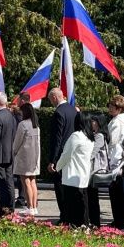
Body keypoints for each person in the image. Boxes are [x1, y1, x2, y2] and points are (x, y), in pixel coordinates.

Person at [57, 114, 96, 227]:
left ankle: (74, 226)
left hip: (72, 175)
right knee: (82, 203)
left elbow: (66, 154)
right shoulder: (89, 137)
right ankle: (84, 225)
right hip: (83, 174)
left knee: (72, 205)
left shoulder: (76, 135)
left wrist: (58, 167)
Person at [46, 88, 77, 222]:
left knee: (60, 188)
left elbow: (57, 138)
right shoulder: (72, 109)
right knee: (69, 186)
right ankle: (70, 214)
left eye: (50, 99)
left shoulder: (59, 112)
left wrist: (52, 160)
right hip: (72, 152)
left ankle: (64, 216)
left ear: (54, 97)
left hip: (61, 155)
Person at [106, 96, 124, 229]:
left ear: (119, 108)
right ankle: (121, 219)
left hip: (117, 160)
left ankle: (119, 220)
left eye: (112, 106)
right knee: (120, 194)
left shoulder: (117, 122)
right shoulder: (123, 120)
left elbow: (113, 142)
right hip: (120, 160)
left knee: (116, 194)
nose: (109, 108)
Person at [12, 101, 42, 216]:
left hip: (24, 156)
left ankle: (29, 206)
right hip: (34, 156)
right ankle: (34, 206)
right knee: (33, 181)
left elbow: (17, 142)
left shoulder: (23, 124)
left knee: (25, 182)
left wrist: (13, 152)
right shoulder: (36, 125)